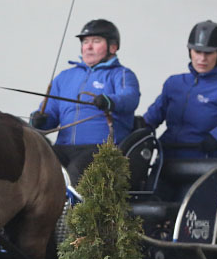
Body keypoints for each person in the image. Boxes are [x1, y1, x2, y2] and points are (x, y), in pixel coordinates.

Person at [30, 19, 140, 185]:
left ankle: (72, 211)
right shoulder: (64, 77)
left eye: (96, 41)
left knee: (74, 173)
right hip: (63, 148)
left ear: (113, 47)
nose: (88, 47)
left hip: (100, 148)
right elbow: (50, 114)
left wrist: (110, 101)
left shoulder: (121, 74)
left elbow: (130, 97)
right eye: (85, 42)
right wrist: (39, 119)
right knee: (35, 167)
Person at [143, 20, 217, 162]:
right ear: (190, 52)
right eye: (198, 52)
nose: (202, 59)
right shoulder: (174, 83)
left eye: (209, 53)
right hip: (165, 161)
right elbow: (151, 119)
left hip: (202, 165)